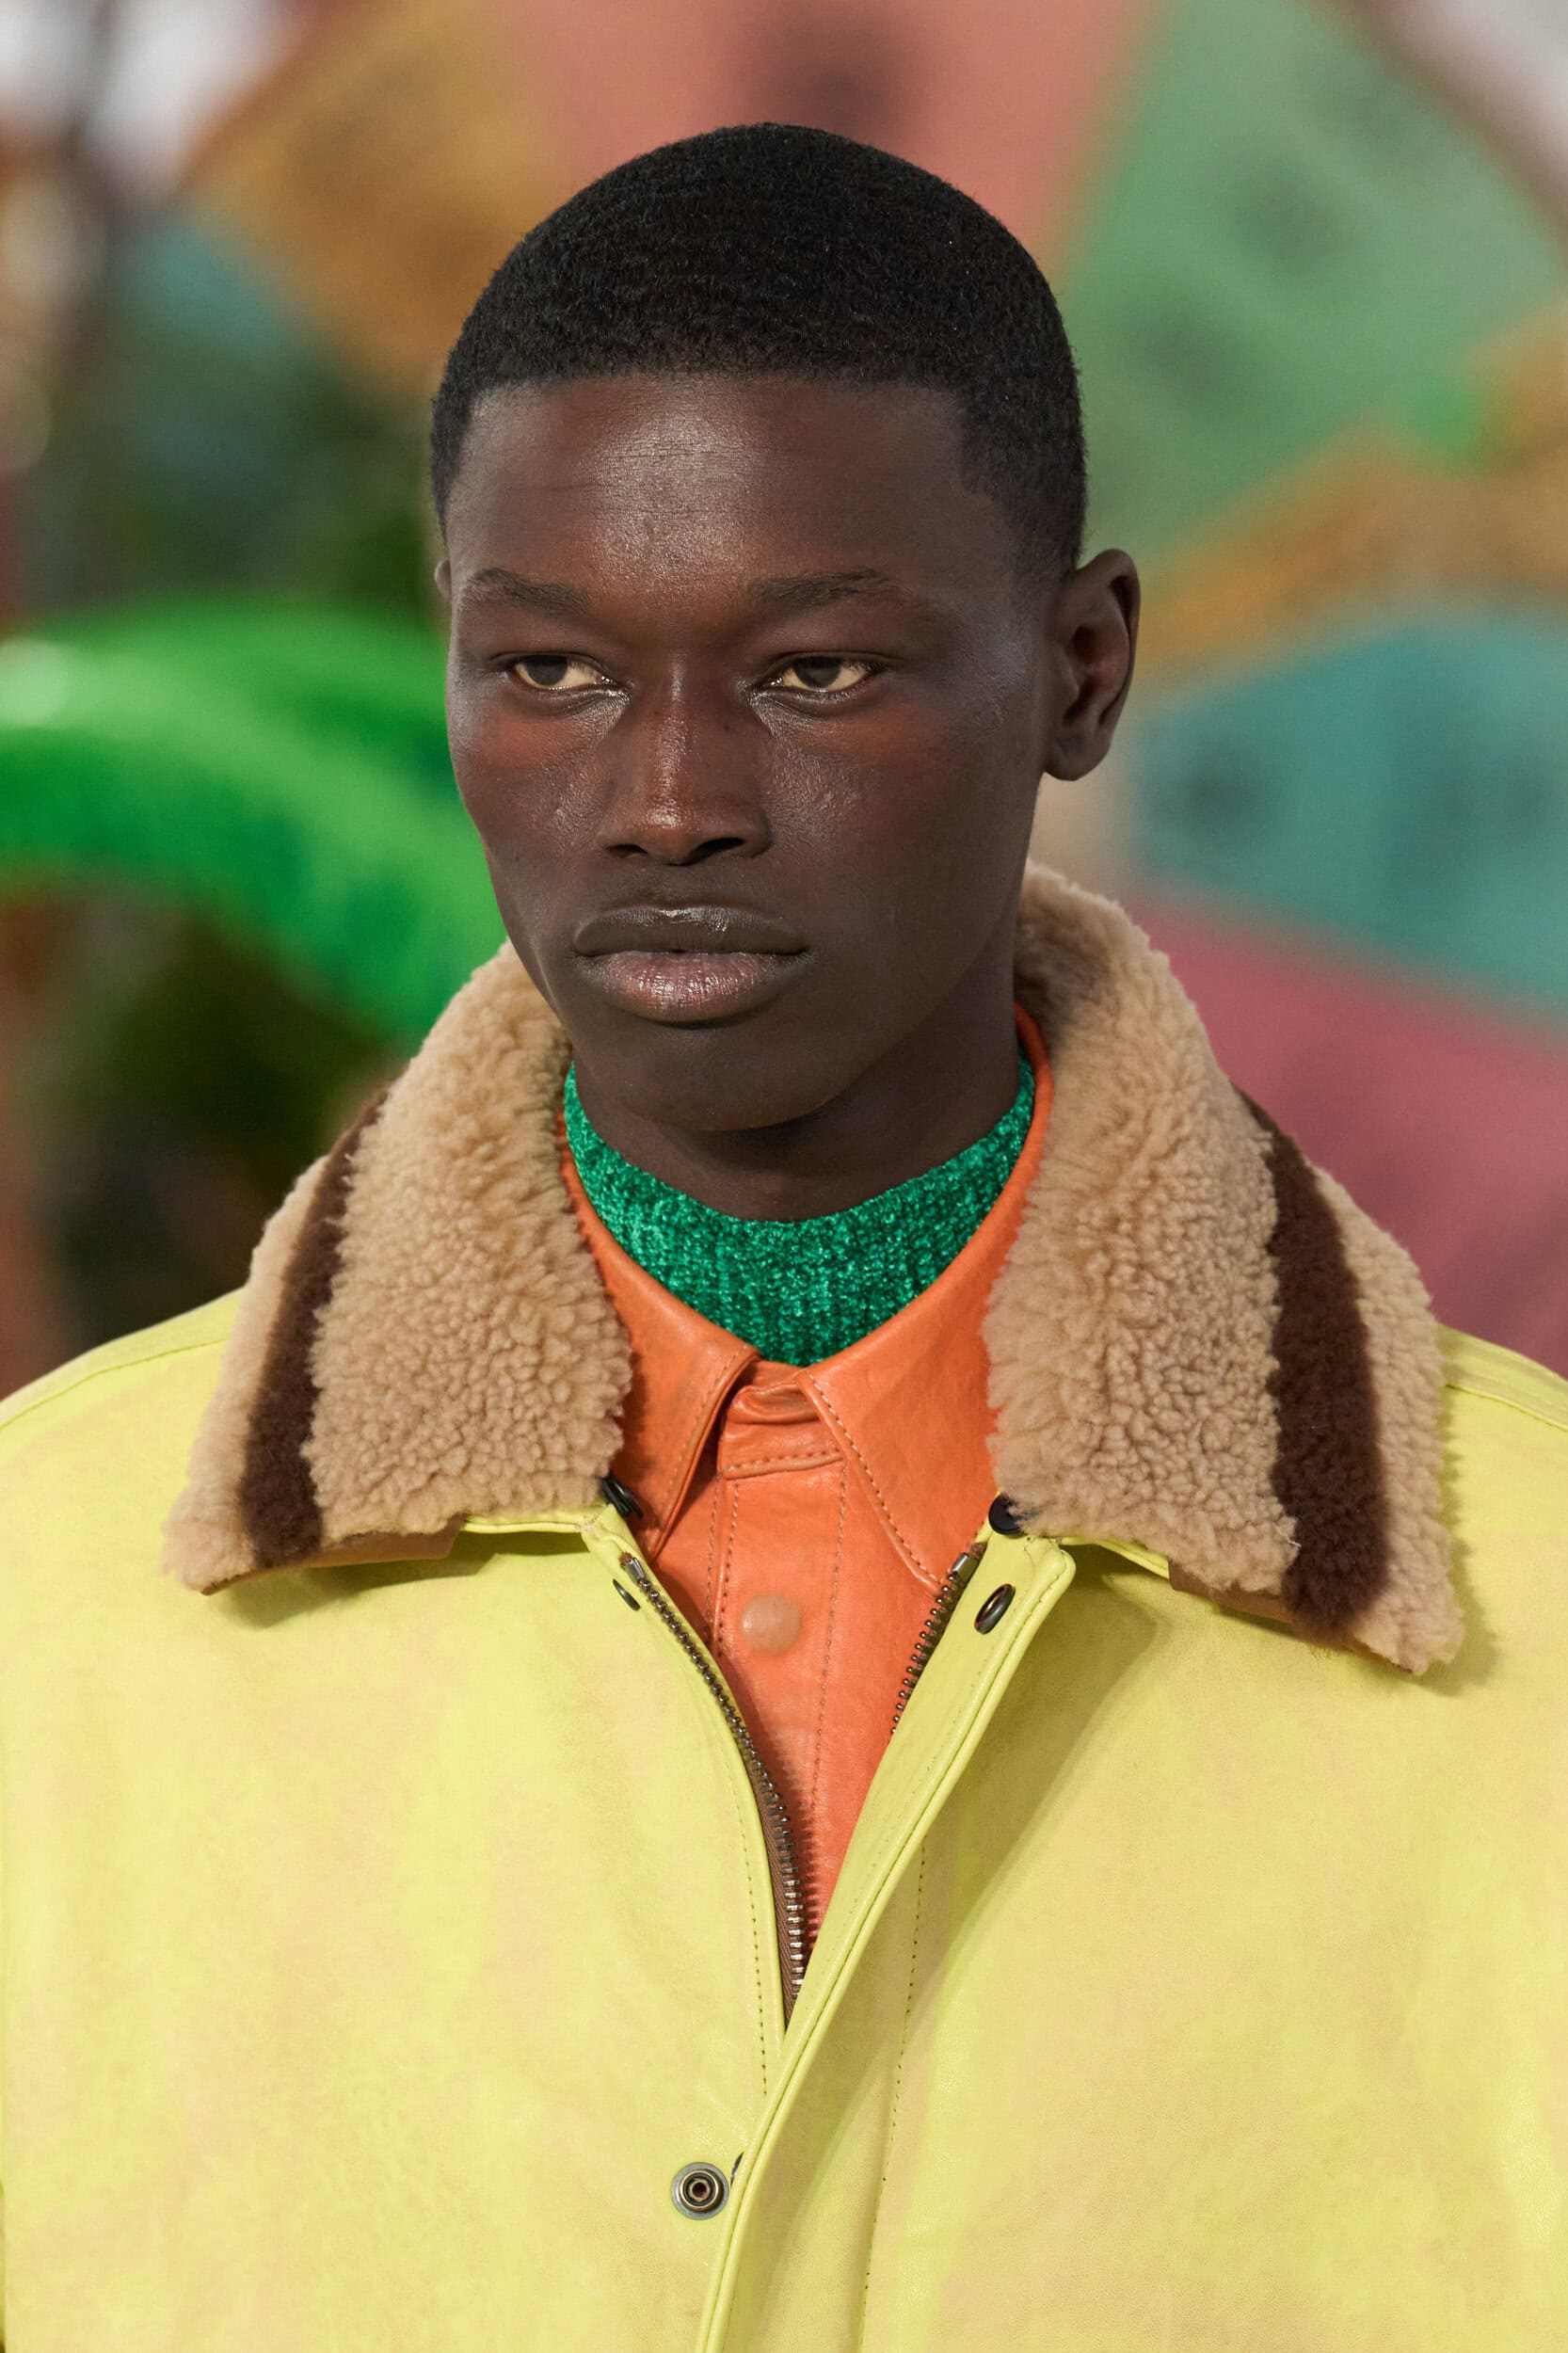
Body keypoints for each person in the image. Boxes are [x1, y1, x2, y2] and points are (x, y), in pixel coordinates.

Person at [1, 123, 1563, 2353]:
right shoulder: (49, 1590)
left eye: (814, 672)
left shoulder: (1527, 1606)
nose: (665, 799)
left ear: (1080, 667)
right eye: (548, 670)